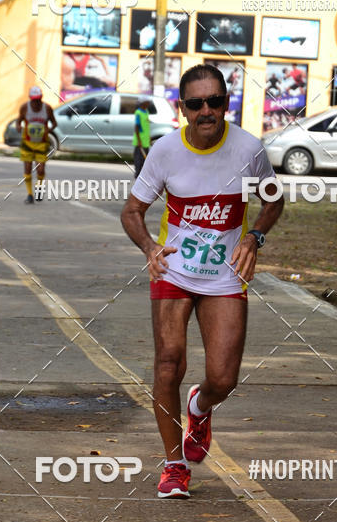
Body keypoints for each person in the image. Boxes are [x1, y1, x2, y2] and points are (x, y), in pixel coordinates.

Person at [121, 63, 284, 499]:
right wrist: (149, 249)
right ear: (183, 109)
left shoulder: (248, 149)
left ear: (226, 104)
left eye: (214, 101)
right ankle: (174, 466)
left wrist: (254, 236)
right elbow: (132, 212)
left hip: (225, 276)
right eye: (196, 104)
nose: (206, 110)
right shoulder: (165, 152)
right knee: (168, 363)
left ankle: (201, 405)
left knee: (224, 378)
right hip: (174, 271)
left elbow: (273, 201)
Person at [16, 86, 57, 204]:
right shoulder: (25, 108)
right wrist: (19, 126)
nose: (35, 102)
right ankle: (29, 195)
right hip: (28, 143)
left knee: (40, 170)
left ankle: (39, 190)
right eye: (33, 100)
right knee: (28, 168)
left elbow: (54, 123)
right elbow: (19, 121)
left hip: (41, 143)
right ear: (30, 99)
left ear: (41, 98)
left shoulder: (47, 108)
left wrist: (48, 130)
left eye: (38, 99)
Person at [133, 100, 152, 179]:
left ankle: (143, 176)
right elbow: (137, 127)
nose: (149, 104)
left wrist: (149, 137)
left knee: (145, 160)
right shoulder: (138, 113)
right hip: (140, 140)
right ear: (143, 103)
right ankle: (137, 175)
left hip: (146, 139)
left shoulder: (146, 111)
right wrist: (139, 140)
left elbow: (146, 125)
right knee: (138, 159)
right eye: (147, 102)